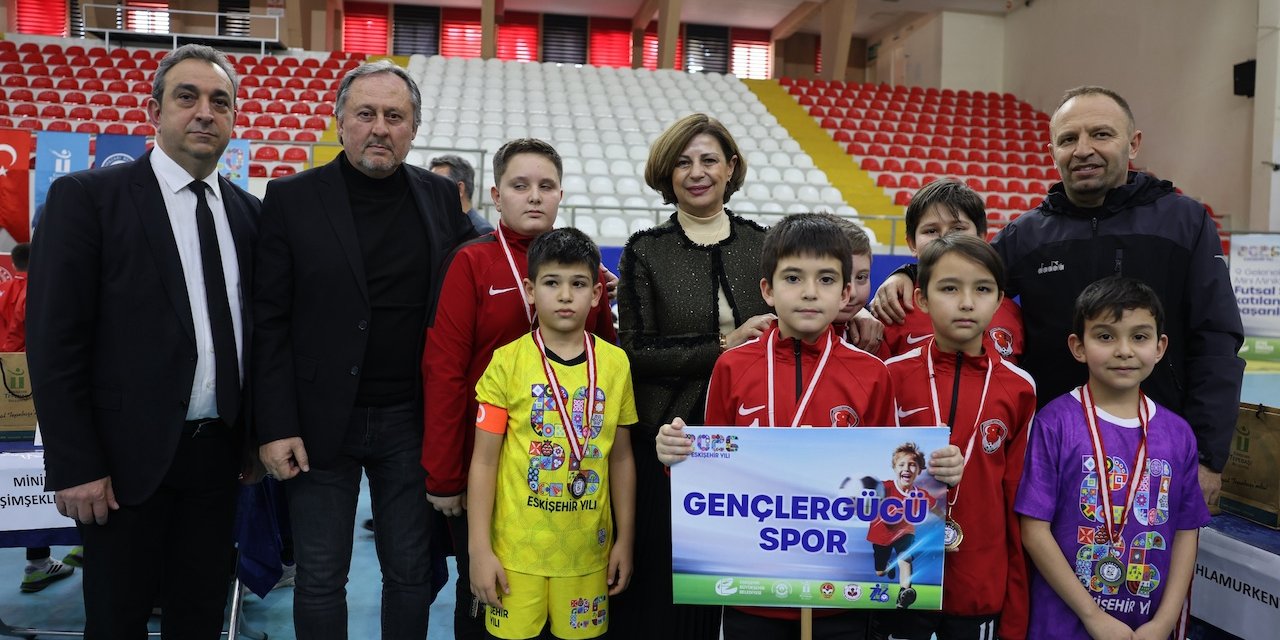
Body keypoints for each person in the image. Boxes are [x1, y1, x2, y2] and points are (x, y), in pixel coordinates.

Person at [871, 87, 1245, 509]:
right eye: (1069, 140)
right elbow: (964, 271)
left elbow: (1216, 340)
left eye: (1101, 134)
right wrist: (906, 274)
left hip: (1157, 449)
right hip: (1051, 454)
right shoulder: (1027, 234)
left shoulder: (1185, 222)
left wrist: (1209, 459)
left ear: (1133, 143)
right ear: (1053, 152)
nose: (1083, 150)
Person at [27, 44, 259, 638]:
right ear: (154, 109)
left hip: (217, 458)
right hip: (119, 464)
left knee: (198, 618)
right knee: (117, 619)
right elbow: (55, 344)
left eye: (220, 102)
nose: (205, 112)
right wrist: (75, 463)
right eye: (188, 97)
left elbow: (255, 335)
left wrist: (253, 439)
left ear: (234, 119)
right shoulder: (89, 199)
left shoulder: (248, 215)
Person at [657, 213, 963, 640]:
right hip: (750, 594)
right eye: (793, 278)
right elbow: (710, 473)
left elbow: (891, 482)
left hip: (840, 600)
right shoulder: (732, 367)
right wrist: (677, 457)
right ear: (767, 289)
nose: (808, 292)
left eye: (825, 280)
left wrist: (937, 471)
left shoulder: (871, 374)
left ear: (845, 292)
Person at [253, 59, 476, 639]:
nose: (380, 127)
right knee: (321, 577)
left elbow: (476, 286)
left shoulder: (438, 198)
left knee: (410, 574)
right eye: (366, 114)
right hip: (318, 422)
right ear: (340, 120)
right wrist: (274, 425)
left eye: (395, 116)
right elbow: (268, 321)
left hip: (411, 421)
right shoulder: (290, 198)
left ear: (414, 128)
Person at [422, 138, 617, 639]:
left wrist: (601, 293)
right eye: (520, 185)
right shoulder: (471, 263)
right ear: (496, 194)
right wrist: (445, 474)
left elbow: (606, 368)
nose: (534, 196)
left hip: (566, 476)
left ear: (560, 195)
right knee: (488, 592)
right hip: (486, 464)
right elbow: (444, 371)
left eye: (546, 186)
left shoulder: (584, 268)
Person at [612, 113, 775, 638]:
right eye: (683, 162)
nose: (696, 172)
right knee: (663, 590)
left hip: (749, 443)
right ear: (667, 172)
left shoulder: (765, 244)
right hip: (668, 444)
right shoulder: (645, 249)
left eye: (708, 160)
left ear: (731, 168)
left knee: (736, 589)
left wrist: (857, 311)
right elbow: (634, 351)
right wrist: (725, 345)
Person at [1016, 276, 1209, 639]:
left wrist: (1163, 623)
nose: (1124, 350)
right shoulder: (1053, 424)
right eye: (1105, 336)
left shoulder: (1178, 433)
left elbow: (1187, 532)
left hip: (1147, 626)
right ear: (1078, 346)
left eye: (1139, 337)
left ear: (1159, 347)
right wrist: (1092, 616)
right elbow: (1034, 530)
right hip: (1065, 623)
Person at [467, 227, 636, 640]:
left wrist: (625, 541)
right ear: (529, 290)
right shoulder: (506, 363)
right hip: (515, 553)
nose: (565, 295)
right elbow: (485, 460)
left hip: (587, 554)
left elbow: (622, 458)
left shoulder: (615, 365)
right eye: (551, 283)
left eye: (578, 284)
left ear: (597, 294)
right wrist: (478, 550)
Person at [877, 233, 1037, 640]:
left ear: (1000, 300)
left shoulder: (1019, 389)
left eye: (982, 289)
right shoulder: (890, 376)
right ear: (923, 299)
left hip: (978, 585)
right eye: (950, 288)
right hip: (900, 580)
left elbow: (1018, 503)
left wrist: (1015, 615)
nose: (967, 302)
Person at [2, 243, 84, 592]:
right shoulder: (40, 290)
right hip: (36, 391)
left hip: (6, 396)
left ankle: (38, 563)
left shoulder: (6, 288)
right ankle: (87, 545)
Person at [876, 180, 1024, 362]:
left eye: (958, 228)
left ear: (981, 237)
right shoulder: (892, 309)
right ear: (912, 244)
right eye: (931, 231)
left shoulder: (1012, 313)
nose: (946, 238)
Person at [863, 443, 938, 611]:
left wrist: (944, 523)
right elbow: (866, 492)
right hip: (880, 537)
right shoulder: (885, 487)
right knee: (880, 572)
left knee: (906, 558)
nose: (907, 468)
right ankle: (887, 567)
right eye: (902, 464)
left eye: (912, 465)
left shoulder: (921, 495)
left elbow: (936, 510)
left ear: (919, 470)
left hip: (905, 533)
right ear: (894, 468)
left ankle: (904, 593)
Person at [828, 218, 874, 343]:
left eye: (861, 277)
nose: (852, 293)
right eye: (834, 278)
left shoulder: (875, 340)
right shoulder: (771, 333)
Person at [430, 154, 495, 235]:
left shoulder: (481, 231)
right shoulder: (443, 226)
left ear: (459, 189)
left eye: (437, 184)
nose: (430, 191)